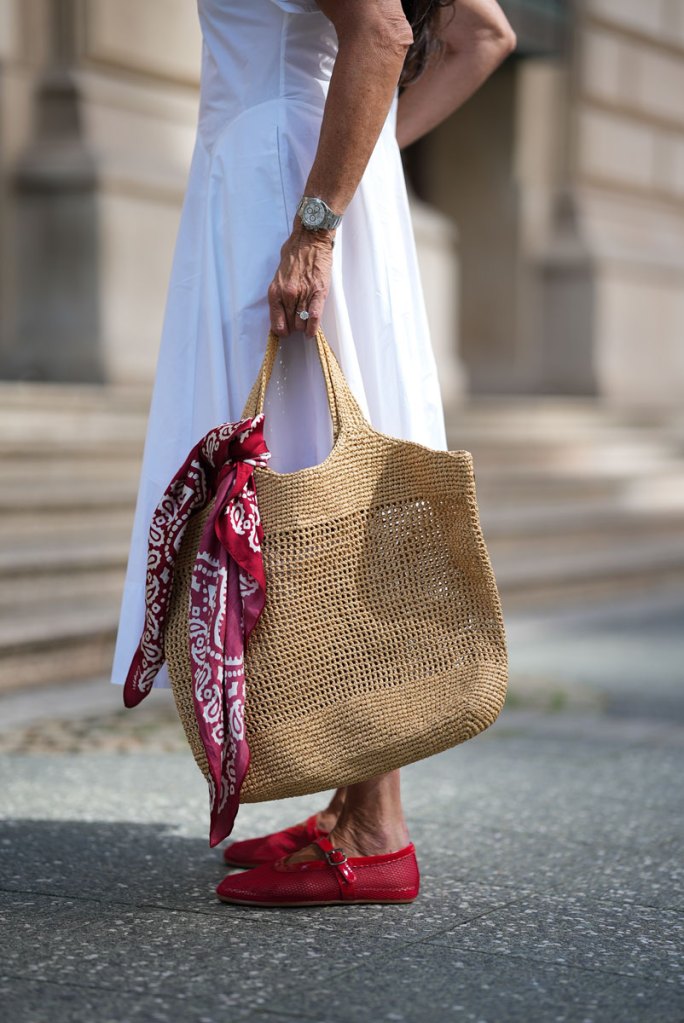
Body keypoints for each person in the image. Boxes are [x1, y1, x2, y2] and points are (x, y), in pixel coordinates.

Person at [111, 0, 516, 907]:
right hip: (302, 169)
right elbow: (484, 32)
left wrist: (318, 221)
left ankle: (376, 831)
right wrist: (360, 163)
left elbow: (381, 31)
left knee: (305, 479)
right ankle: (356, 802)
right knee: (313, 477)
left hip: (279, 186)